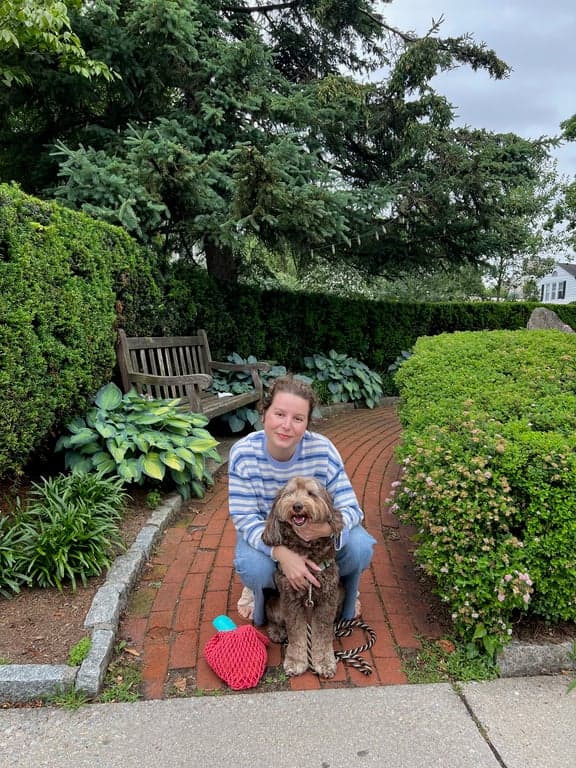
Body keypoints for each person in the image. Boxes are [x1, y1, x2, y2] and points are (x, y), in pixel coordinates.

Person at [228, 375, 376, 627]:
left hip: (320, 539)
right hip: (271, 534)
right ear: (263, 414)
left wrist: (328, 528)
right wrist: (281, 554)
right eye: (279, 414)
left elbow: (351, 508)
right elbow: (244, 518)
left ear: (307, 423)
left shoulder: (323, 450)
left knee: (361, 547)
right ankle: (258, 592)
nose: (287, 425)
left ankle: (344, 591)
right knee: (255, 568)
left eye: (298, 419)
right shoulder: (243, 453)